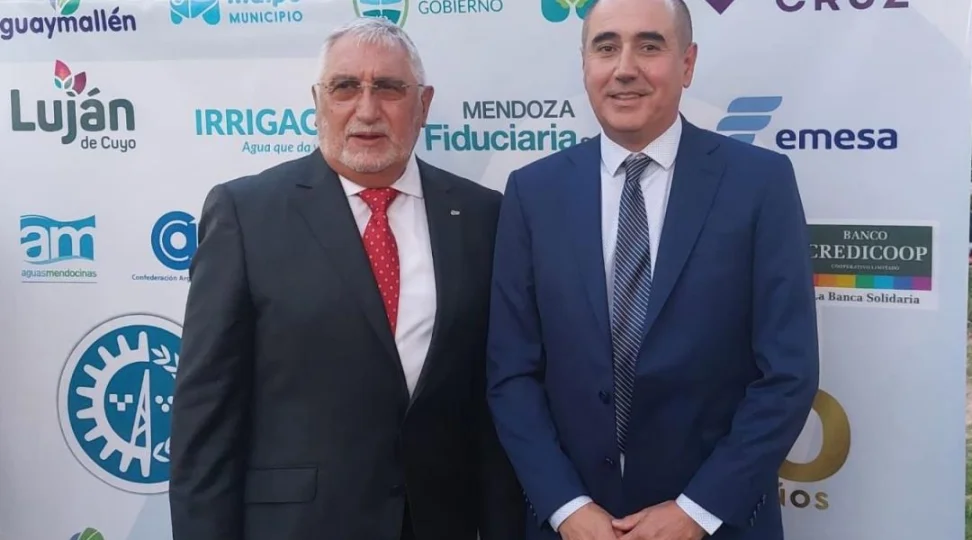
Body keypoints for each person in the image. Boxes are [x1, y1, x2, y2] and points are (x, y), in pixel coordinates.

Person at [168, 17, 523, 540]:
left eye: (389, 88)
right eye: (345, 87)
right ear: (318, 101)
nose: (367, 109)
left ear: (423, 105)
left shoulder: (482, 216)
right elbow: (205, 415)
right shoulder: (246, 214)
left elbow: (495, 404)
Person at [485, 0, 820, 538]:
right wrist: (566, 507)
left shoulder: (760, 185)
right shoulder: (532, 192)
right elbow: (511, 374)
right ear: (585, 65)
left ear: (687, 64)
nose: (625, 68)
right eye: (606, 47)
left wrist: (698, 511)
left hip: (716, 525)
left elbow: (788, 374)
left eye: (649, 45)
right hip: (574, 526)